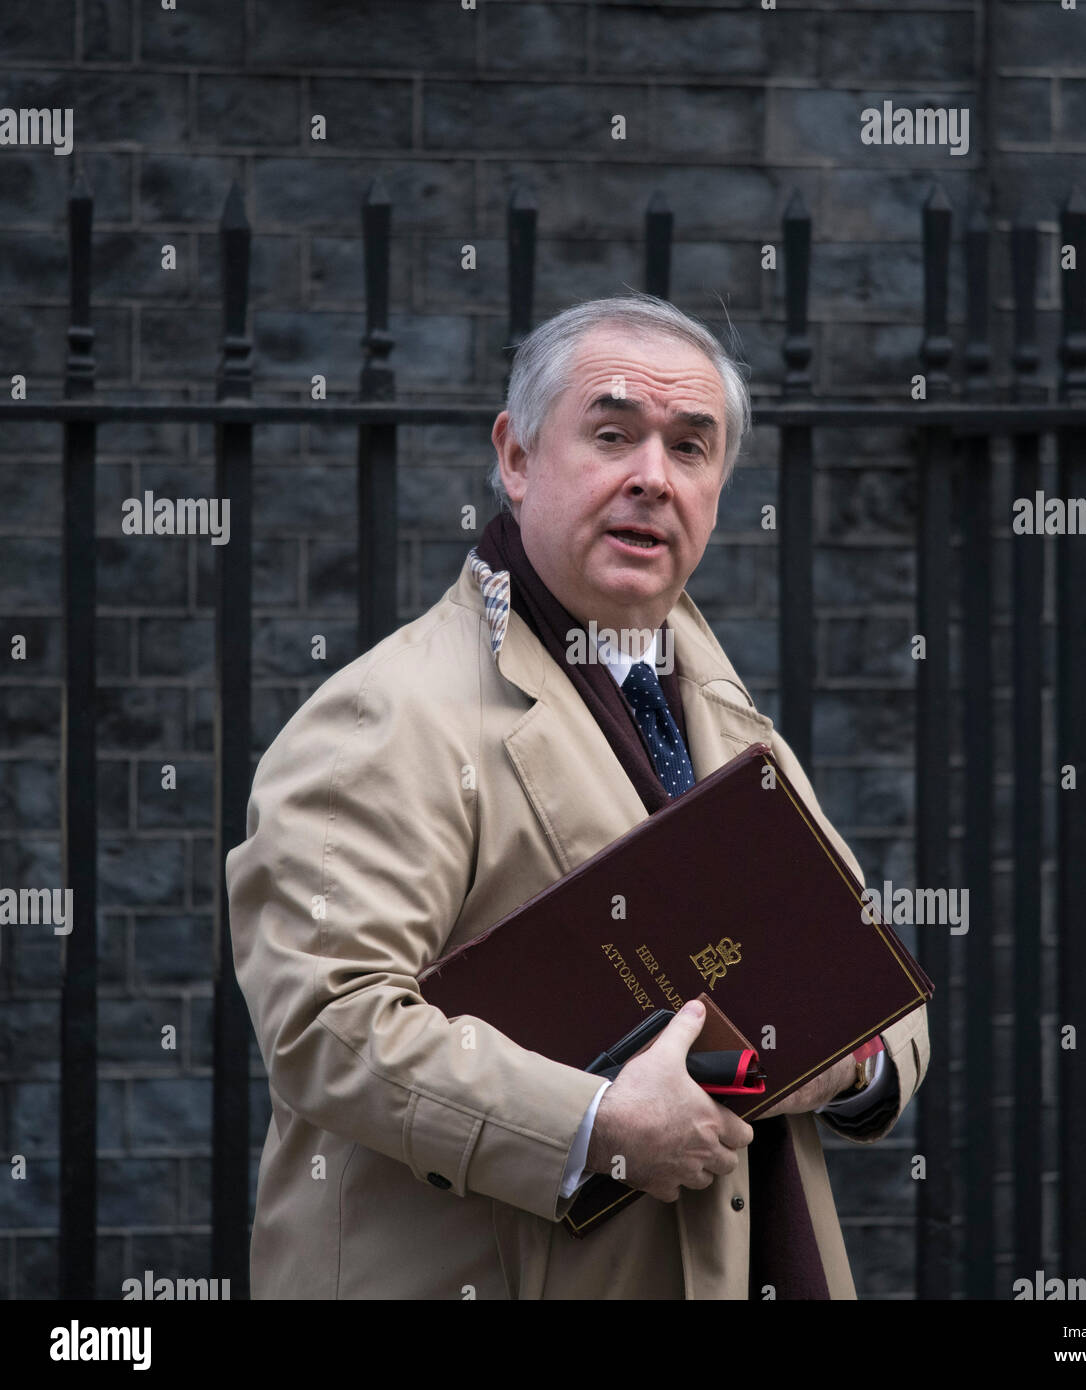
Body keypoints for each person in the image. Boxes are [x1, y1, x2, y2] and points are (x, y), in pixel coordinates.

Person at [226, 293, 930, 1300]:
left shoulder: (723, 708)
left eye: (692, 448)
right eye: (612, 435)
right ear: (515, 458)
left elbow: (869, 965)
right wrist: (596, 1126)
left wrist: (851, 1060)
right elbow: (327, 1022)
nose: (653, 476)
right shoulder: (389, 714)